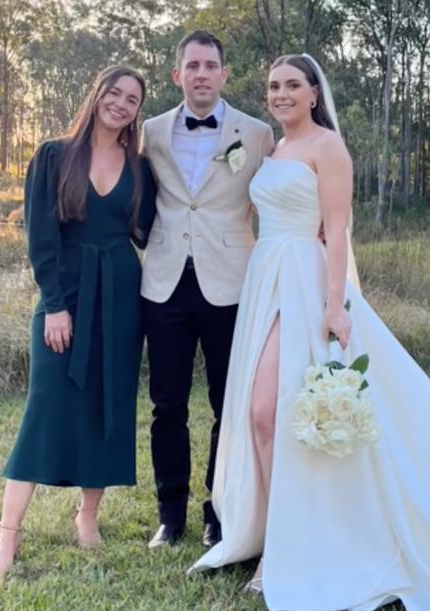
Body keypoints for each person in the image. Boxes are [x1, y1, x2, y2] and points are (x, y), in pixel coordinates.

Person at [191, 54, 430, 611]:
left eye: (292, 85)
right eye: (273, 85)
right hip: (265, 279)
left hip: (306, 281)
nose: (281, 94)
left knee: (269, 413)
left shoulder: (328, 148)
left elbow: (338, 228)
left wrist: (335, 305)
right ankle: (276, 538)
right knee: (263, 417)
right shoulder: (271, 150)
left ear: (314, 93)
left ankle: (290, 550)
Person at [0, 65, 156, 580]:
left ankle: (88, 518)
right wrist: (54, 304)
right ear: (96, 92)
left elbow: (150, 231)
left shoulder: (140, 166)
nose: (121, 104)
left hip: (122, 296)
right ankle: (7, 537)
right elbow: (40, 236)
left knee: (107, 402)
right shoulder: (55, 154)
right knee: (46, 407)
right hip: (66, 293)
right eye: (115, 92)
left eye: (132, 99)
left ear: (137, 111)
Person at [141, 30, 274, 549]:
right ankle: (170, 517)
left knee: (229, 403)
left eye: (210, 65)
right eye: (191, 65)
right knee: (166, 404)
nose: (200, 74)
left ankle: (219, 513)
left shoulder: (258, 133)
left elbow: (289, 186)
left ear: (224, 74)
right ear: (177, 75)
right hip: (165, 283)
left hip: (233, 283)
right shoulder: (149, 131)